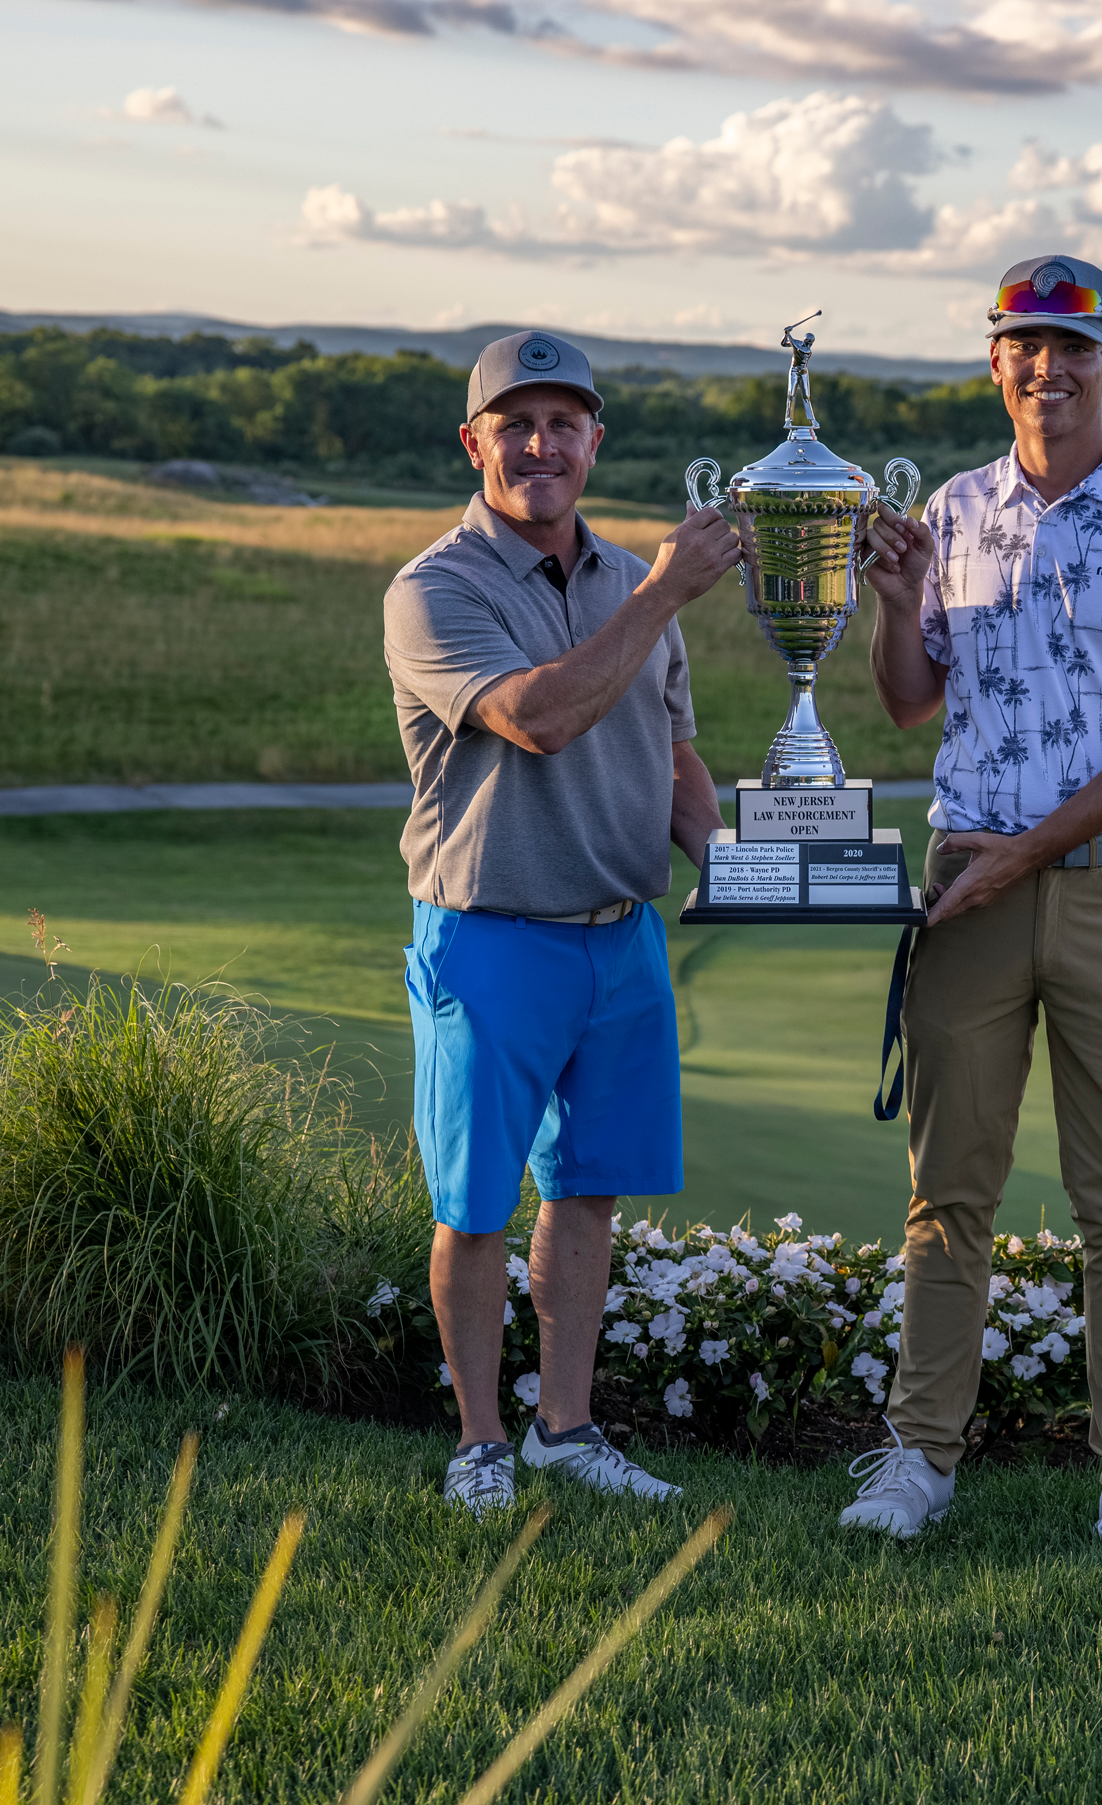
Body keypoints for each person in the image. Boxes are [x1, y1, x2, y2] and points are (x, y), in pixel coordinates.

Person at [848, 255, 1102, 1560]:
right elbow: (910, 699)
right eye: (1025, 344)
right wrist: (895, 604)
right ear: (994, 361)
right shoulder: (953, 511)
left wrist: (1023, 858)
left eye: (1075, 348)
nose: (1049, 368)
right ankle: (920, 1455)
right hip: (968, 884)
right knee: (948, 1194)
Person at [383, 329, 746, 1514]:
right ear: (473, 440)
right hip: (490, 933)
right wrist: (661, 594)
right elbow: (540, 716)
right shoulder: (435, 589)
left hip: (618, 935)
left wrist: (753, 871)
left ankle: (565, 1426)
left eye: (563, 423)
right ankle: (481, 1443)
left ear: (596, 438)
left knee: (586, 1192)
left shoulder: (632, 576)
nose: (540, 445)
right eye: (515, 423)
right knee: (476, 1203)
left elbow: (672, 756)